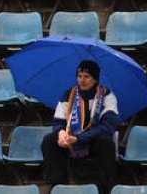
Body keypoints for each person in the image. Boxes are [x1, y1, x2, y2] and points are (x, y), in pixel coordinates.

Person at [41, 59, 121, 194]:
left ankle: (104, 188)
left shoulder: (107, 95)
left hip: (94, 140)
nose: (82, 80)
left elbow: (108, 126)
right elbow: (58, 122)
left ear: (95, 79)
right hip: (71, 140)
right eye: (79, 76)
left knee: (105, 142)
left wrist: (80, 138)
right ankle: (57, 186)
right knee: (49, 140)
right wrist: (61, 134)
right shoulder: (68, 95)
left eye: (87, 76)